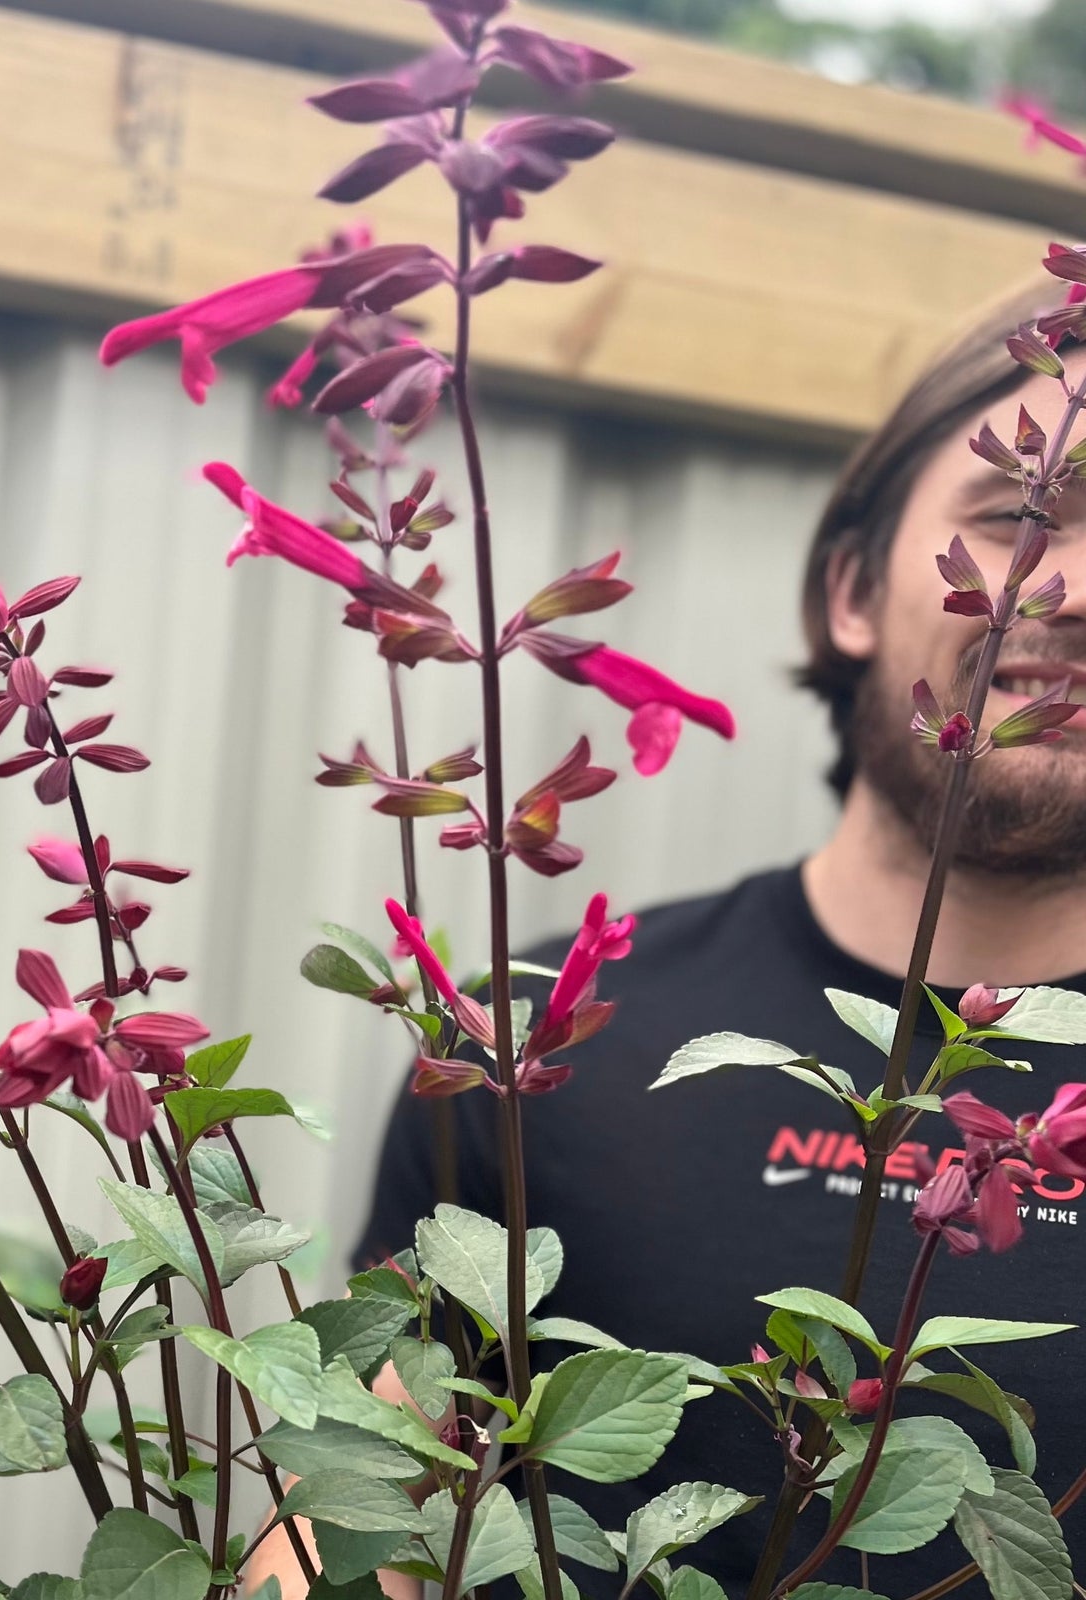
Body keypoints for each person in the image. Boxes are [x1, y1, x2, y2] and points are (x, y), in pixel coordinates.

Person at [261, 275, 1086, 1598]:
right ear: (853, 592)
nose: (1073, 586)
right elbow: (356, 1511)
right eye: (1013, 519)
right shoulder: (527, 1027)